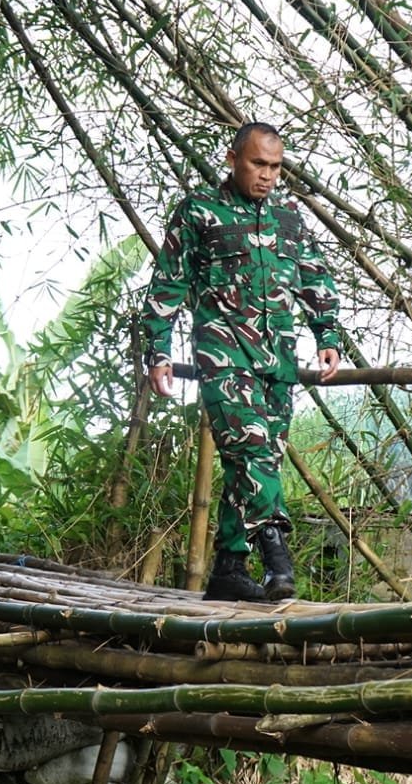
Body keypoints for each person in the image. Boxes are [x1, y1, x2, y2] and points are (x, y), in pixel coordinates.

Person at [143, 122, 343, 602]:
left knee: (258, 462)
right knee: (251, 451)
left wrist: (328, 334)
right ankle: (277, 556)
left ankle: (229, 569)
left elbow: (315, 277)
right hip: (224, 356)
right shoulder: (199, 211)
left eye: (275, 166)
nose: (267, 175)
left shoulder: (290, 217)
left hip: (278, 362)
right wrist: (159, 350)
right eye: (258, 164)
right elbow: (168, 283)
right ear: (233, 159)